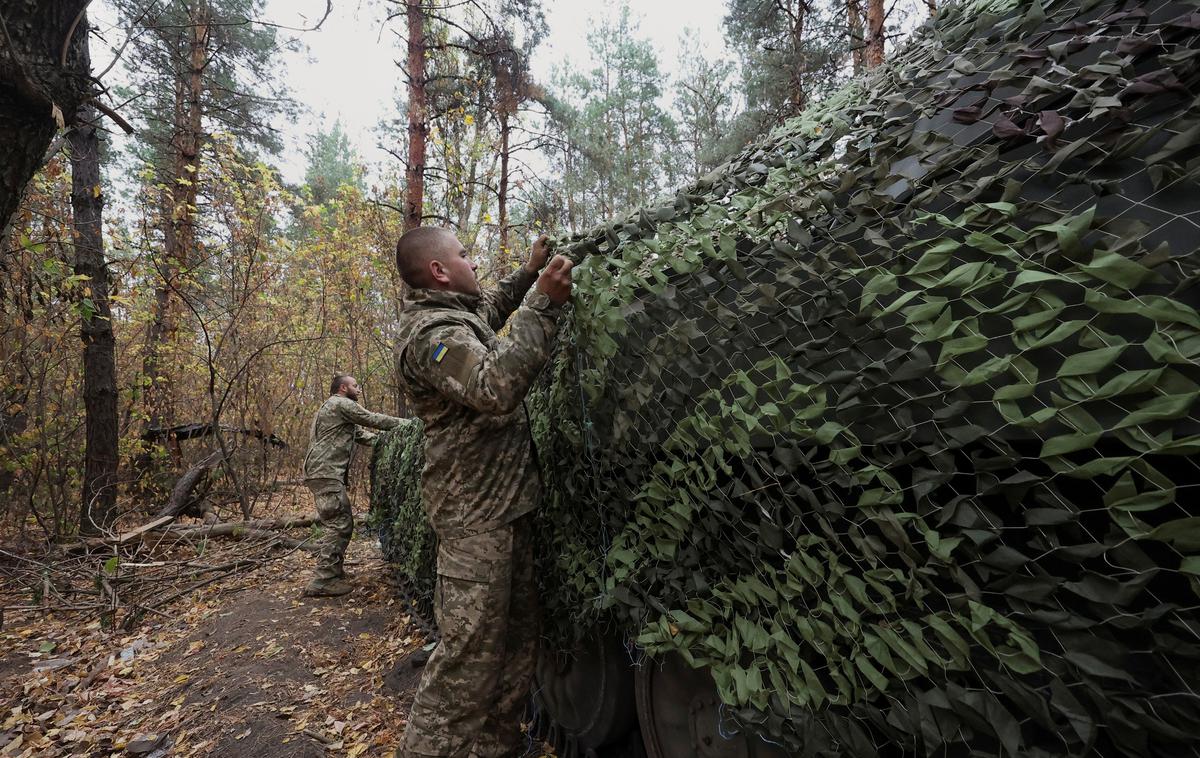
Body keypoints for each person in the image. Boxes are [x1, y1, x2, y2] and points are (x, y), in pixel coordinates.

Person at [392, 226, 573, 758]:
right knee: (465, 668)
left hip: (506, 509)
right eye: (464, 254)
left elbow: (488, 312)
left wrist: (526, 273)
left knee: (515, 652)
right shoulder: (431, 336)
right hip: (474, 522)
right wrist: (541, 305)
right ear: (440, 272)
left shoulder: (456, 317)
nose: (474, 262)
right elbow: (493, 386)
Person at [302, 373, 407, 597]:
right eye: (355, 386)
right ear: (342, 388)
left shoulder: (334, 410)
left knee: (340, 522)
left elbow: (362, 434)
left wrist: (386, 442)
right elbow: (372, 419)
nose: (358, 389)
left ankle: (333, 573)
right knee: (340, 524)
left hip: (323, 472)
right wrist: (410, 425)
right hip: (325, 472)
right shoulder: (340, 404)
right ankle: (324, 580)